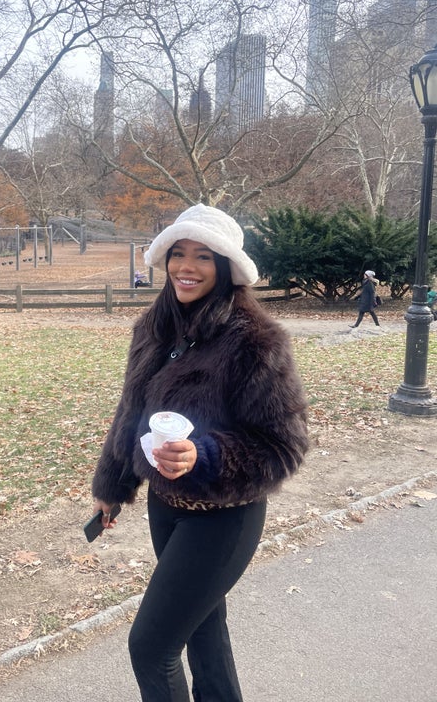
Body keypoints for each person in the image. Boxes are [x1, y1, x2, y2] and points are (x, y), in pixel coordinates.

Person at [90, 204, 309, 702]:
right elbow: (131, 410)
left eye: (204, 256)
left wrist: (203, 455)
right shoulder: (153, 327)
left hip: (224, 518)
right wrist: (112, 486)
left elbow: (285, 446)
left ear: (226, 267)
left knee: (151, 647)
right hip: (165, 508)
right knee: (204, 630)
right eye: (178, 253)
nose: (186, 267)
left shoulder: (255, 341)